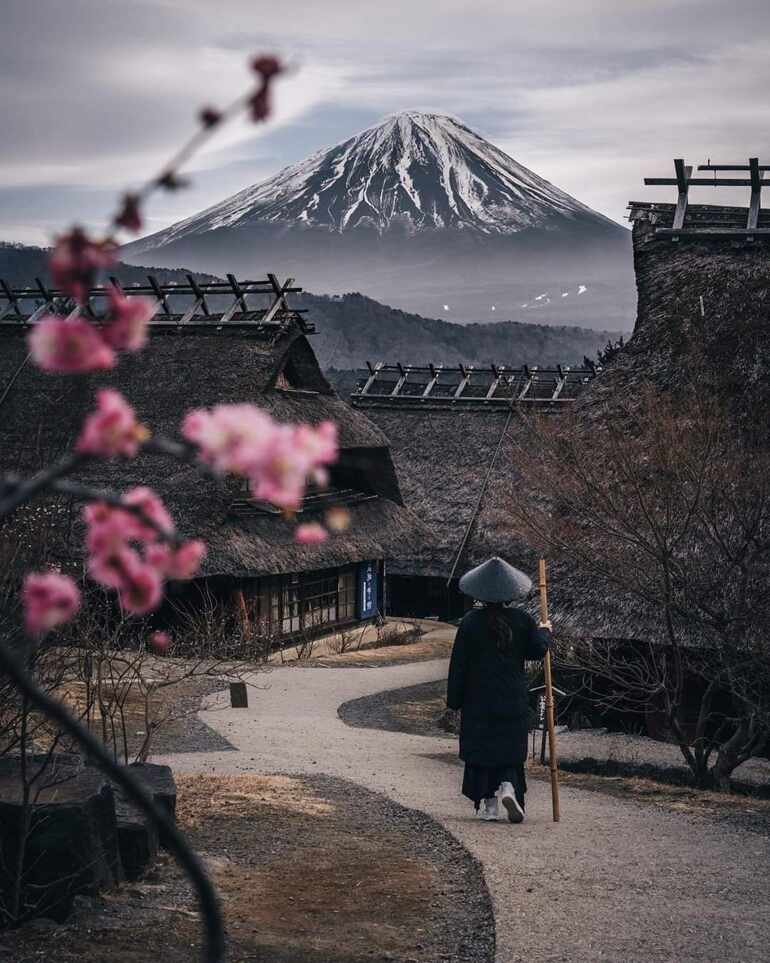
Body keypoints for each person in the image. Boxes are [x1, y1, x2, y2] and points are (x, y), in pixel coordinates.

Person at [447, 556, 552, 823]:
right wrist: (545, 632)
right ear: (511, 593)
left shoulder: (470, 622)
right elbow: (536, 650)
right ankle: (507, 785)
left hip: (478, 698)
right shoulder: (522, 620)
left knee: (482, 751)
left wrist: (454, 700)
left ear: (480, 593)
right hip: (512, 696)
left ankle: (489, 806)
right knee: (509, 748)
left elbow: (458, 663)